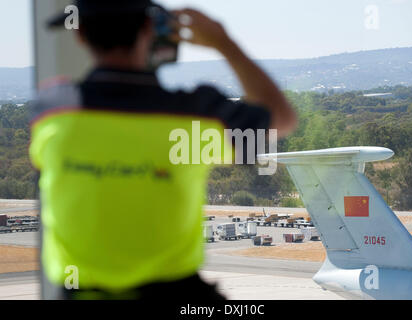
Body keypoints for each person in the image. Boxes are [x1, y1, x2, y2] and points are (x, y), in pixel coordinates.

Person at [30, 0, 297, 300]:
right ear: (148, 29)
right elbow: (282, 117)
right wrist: (223, 43)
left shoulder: (50, 113)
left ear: (79, 34)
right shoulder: (196, 116)